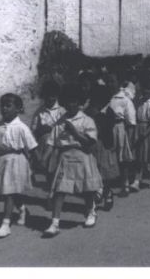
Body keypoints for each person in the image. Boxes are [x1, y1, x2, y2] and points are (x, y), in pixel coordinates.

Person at [43, 84, 102, 237]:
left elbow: (90, 143)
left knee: (87, 188)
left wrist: (74, 132)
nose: (71, 105)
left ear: (79, 102)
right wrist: (44, 159)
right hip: (65, 158)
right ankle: (55, 222)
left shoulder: (86, 120)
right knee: (60, 190)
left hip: (82, 156)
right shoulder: (60, 122)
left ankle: (91, 212)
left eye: (74, 101)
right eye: (68, 102)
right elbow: (51, 142)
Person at [0, 93, 38, 239]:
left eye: (8, 105)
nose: (4, 108)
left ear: (18, 108)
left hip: (17, 162)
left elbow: (32, 147)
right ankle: (22, 209)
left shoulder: (22, 128)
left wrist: (35, 164)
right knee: (8, 192)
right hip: (1, 162)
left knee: (9, 192)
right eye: (2, 105)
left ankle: (5, 223)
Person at [85, 85, 119, 211]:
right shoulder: (88, 111)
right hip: (92, 145)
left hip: (104, 144)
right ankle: (97, 192)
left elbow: (107, 129)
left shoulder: (108, 112)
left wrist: (98, 116)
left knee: (105, 171)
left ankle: (107, 192)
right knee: (94, 170)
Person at [104, 72, 136, 197]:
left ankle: (125, 184)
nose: (110, 84)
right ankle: (107, 187)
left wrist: (130, 137)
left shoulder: (125, 100)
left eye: (113, 81)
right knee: (108, 157)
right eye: (108, 82)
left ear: (119, 83)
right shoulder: (105, 97)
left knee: (122, 158)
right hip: (106, 129)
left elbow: (131, 121)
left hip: (119, 128)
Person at [31, 80, 66, 193]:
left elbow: (65, 130)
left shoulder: (61, 111)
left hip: (57, 145)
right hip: (43, 144)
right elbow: (33, 130)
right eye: (47, 97)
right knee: (47, 170)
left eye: (53, 97)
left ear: (56, 96)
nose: (50, 99)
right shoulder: (40, 112)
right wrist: (40, 130)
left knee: (54, 170)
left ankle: (52, 193)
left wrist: (52, 129)